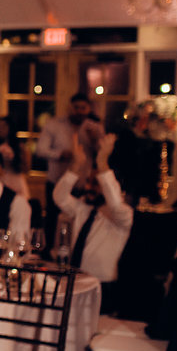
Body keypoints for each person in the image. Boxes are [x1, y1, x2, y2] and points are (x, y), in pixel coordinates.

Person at [53, 133, 133, 313]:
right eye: (89, 181)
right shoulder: (83, 208)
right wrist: (74, 167)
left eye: (96, 184)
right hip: (76, 280)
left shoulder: (122, 216)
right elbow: (59, 197)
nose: (89, 187)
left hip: (104, 287)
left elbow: (114, 202)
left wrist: (103, 163)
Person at [37, 93, 104, 250]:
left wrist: (94, 140)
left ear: (88, 109)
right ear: (70, 107)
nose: (79, 111)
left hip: (82, 184)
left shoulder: (94, 127)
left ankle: (75, 253)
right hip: (57, 181)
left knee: (79, 221)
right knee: (53, 221)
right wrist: (60, 154)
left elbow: (102, 155)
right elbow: (40, 150)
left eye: (83, 108)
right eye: (76, 107)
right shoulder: (54, 125)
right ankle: (50, 253)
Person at [0, 115, 29, 199]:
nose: (1, 129)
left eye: (4, 126)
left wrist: (13, 162)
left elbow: (26, 168)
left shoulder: (18, 146)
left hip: (14, 178)